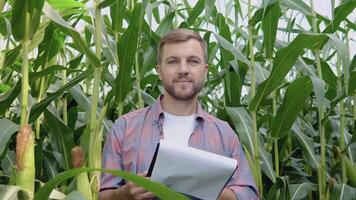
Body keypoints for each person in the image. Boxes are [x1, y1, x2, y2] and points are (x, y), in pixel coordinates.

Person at [99, 28, 258, 200]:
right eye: (173, 61)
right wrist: (123, 195)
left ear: (205, 70)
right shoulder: (124, 128)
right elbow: (104, 195)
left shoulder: (224, 134)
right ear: (159, 70)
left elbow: (249, 195)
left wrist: (210, 189)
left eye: (193, 61)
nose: (183, 69)